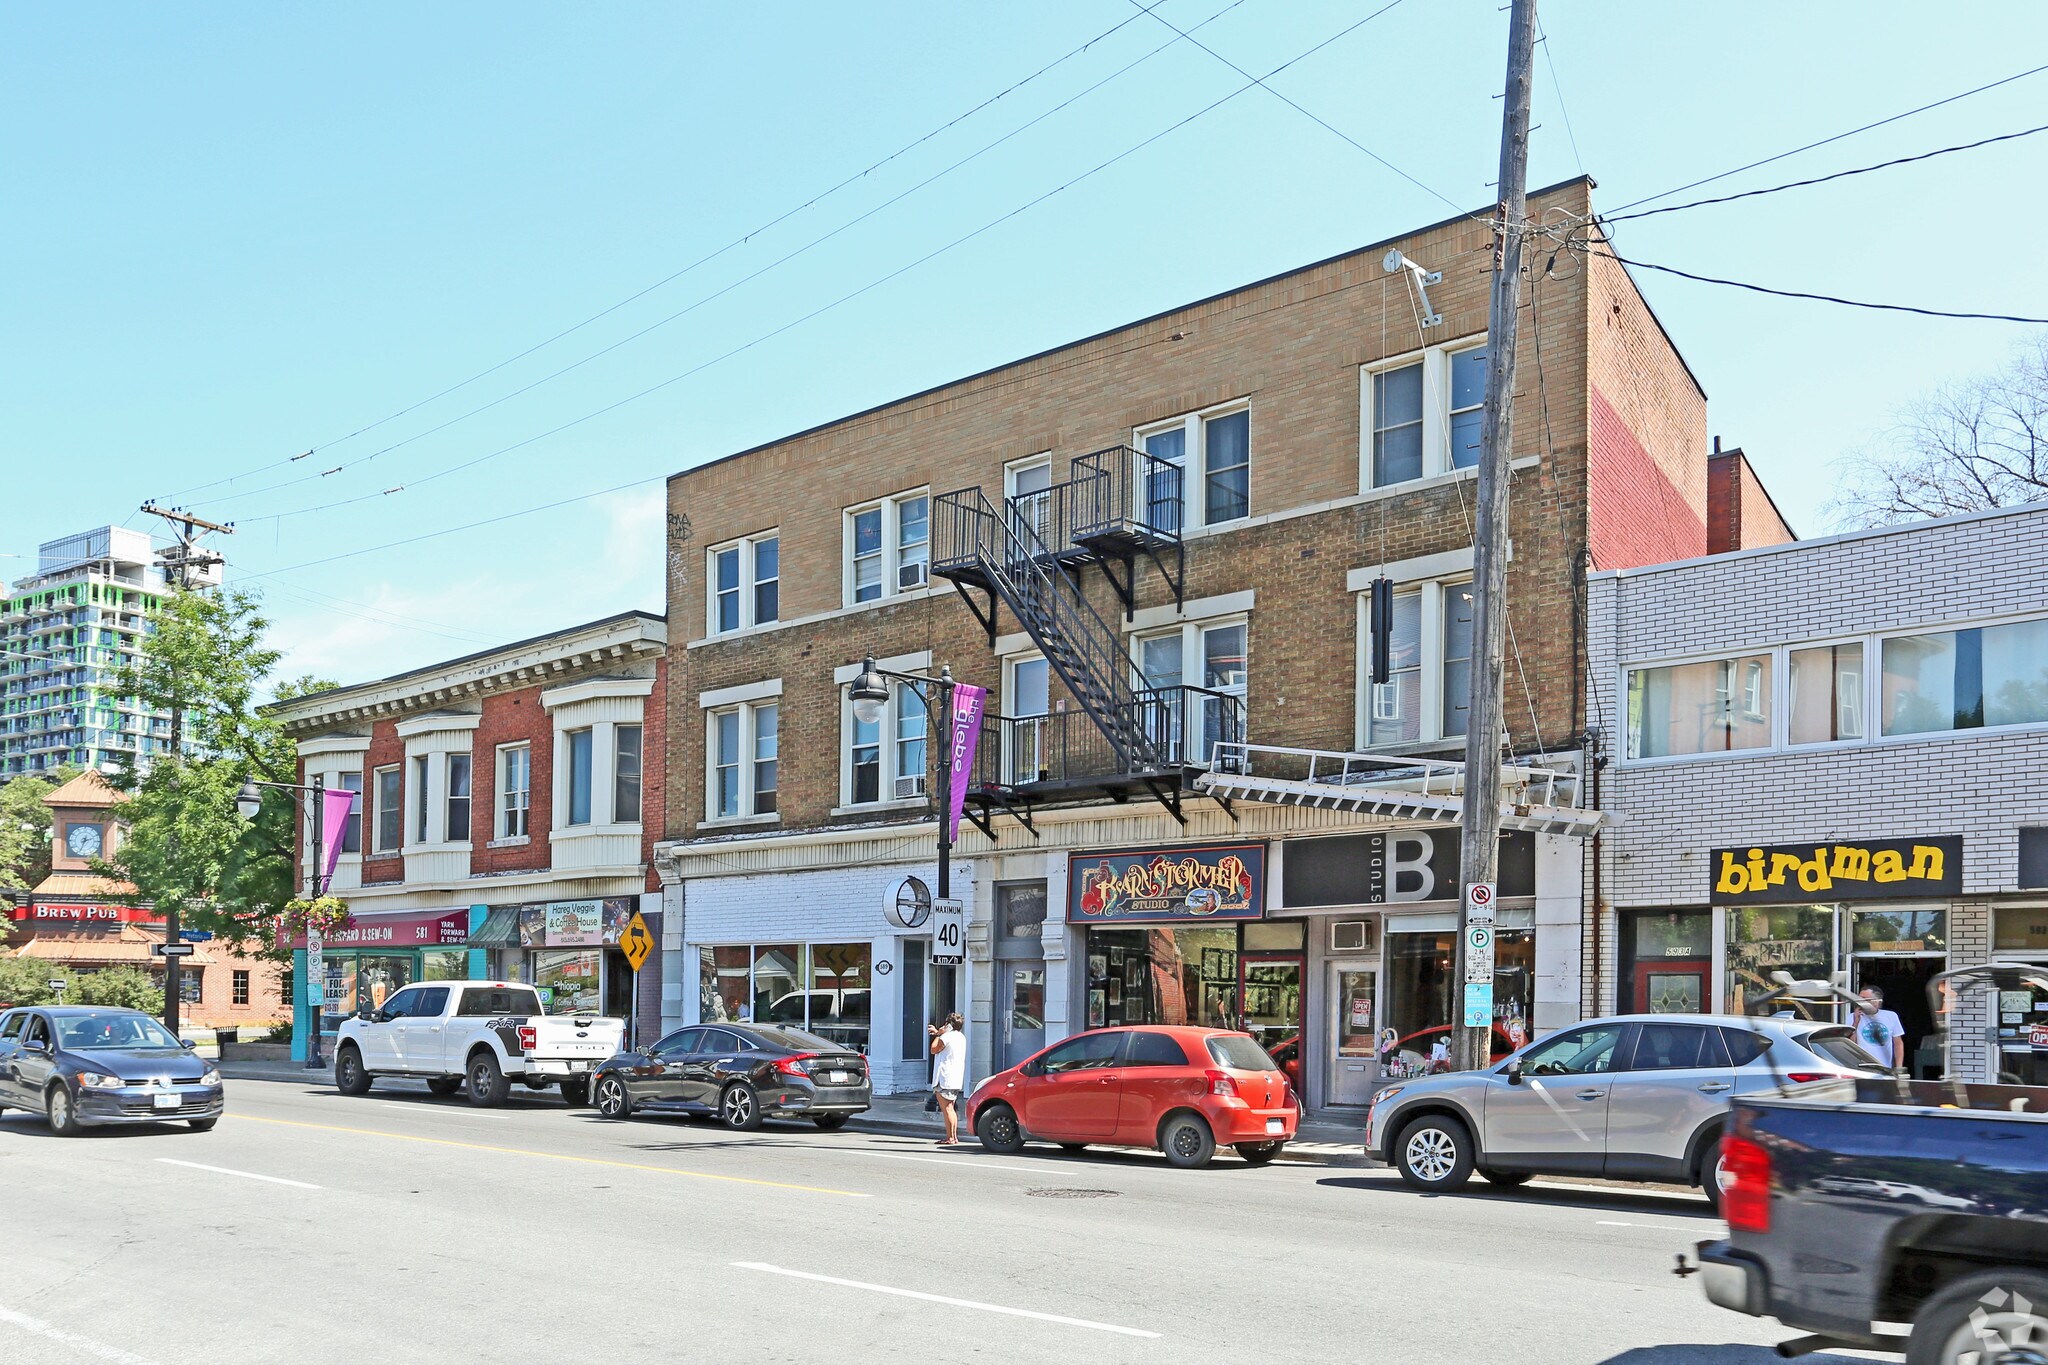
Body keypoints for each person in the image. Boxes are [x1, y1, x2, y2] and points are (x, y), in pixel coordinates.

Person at [928, 1012, 966, 1146]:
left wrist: (939, 1034)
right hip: (955, 1077)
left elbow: (933, 1049)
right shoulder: (960, 1037)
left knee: (947, 1109)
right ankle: (953, 1136)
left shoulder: (947, 1037)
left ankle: (950, 1137)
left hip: (945, 1077)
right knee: (951, 1108)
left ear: (949, 1025)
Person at [1853, 985, 1907, 1071]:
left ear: (1877, 1002)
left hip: (1884, 1067)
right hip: (1861, 1068)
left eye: (1865, 999)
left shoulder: (1891, 1016)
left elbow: (1898, 1043)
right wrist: (1856, 1022)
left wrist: (1899, 1067)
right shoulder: (1852, 1017)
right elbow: (1850, 1043)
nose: (1861, 1002)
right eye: (1859, 999)